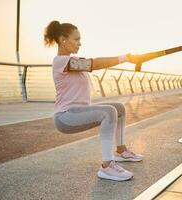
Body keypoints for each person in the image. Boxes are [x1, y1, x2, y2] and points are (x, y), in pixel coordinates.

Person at [44, 21, 143, 181]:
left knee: (119, 108)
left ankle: (121, 151)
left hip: (77, 113)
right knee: (108, 112)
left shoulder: (71, 61)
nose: (80, 43)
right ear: (63, 40)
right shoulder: (60, 62)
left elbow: (92, 63)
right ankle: (106, 166)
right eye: (76, 39)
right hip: (65, 117)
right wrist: (124, 57)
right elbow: (95, 63)